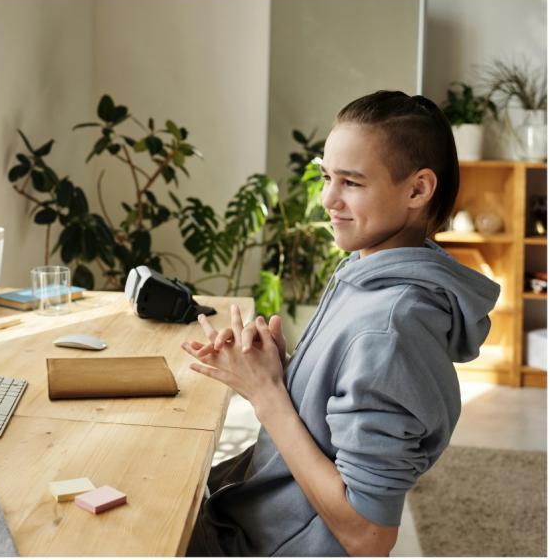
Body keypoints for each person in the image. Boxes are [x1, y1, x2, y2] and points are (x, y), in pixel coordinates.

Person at [181, 90, 500, 556]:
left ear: (417, 190)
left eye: (351, 182)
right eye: (327, 176)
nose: (328, 199)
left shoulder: (391, 329)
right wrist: (278, 373)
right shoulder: (368, 272)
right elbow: (340, 410)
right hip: (247, 521)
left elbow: (369, 535)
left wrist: (267, 396)